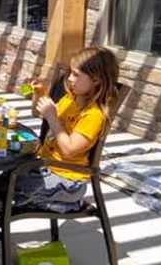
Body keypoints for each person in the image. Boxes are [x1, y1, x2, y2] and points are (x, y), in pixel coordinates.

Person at [19, 46, 120, 212]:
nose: (70, 79)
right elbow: (39, 113)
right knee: (3, 180)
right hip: (45, 168)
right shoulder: (70, 99)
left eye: (76, 74)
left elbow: (69, 150)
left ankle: (67, 204)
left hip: (69, 181)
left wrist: (52, 116)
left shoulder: (93, 115)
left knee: (14, 192)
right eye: (70, 73)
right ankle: (57, 203)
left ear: (96, 80)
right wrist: (40, 94)